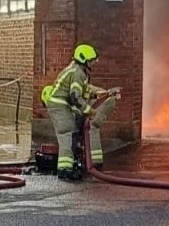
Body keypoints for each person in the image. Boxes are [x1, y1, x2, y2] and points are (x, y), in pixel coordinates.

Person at [41, 43, 121, 180]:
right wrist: (89, 111)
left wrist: (102, 95)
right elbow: (75, 97)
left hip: (61, 104)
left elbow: (83, 93)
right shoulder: (78, 72)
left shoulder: (79, 71)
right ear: (84, 59)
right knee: (68, 133)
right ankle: (65, 171)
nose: (94, 63)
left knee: (71, 134)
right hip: (59, 105)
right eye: (91, 60)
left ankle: (68, 167)